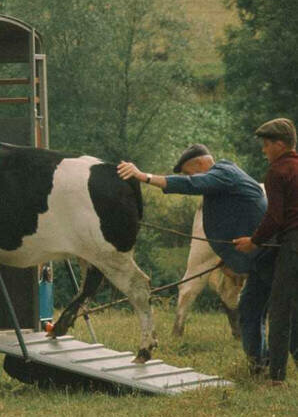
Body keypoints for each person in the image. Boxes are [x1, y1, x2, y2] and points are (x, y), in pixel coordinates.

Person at [117, 145, 271, 372]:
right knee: (250, 310)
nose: (190, 177)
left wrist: (143, 177)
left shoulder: (223, 173)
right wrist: (226, 255)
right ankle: (261, 365)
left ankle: (271, 367)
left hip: (268, 256)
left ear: (200, 164)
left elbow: (191, 185)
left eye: (189, 171)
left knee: (277, 312)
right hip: (259, 256)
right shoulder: (225, 176)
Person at [234, 118, 298, 385]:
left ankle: (276, 378)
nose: (264, 150)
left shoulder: (278, 171)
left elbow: (274, 218)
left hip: (293, 243)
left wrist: (254, 242)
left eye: (266, 145)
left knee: (280, 309)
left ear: (280, 144)